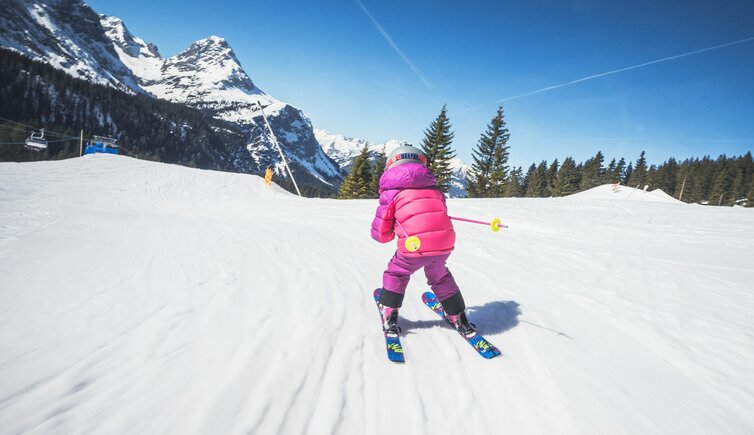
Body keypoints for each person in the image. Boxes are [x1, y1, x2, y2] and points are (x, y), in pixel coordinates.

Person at [371, 145, 475, 337]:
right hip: (444, 244)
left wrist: (389, 232)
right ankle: (458, 316)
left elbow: (381, 233)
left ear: (391, 165)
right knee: (440, 276)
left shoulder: (391, 192)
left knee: (397, 272)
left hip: (414, 246)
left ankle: (390, 314)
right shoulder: (435, 190)